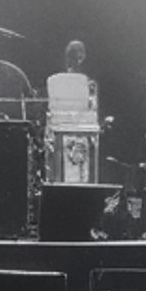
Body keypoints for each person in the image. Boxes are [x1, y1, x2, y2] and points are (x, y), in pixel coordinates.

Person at [43, 40, 98, 184]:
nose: (76, 59)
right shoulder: (56, 82)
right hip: (62, 138)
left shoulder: (89, 84)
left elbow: (92, 113)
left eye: (79, 55)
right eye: (73, 55)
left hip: (81, 138)